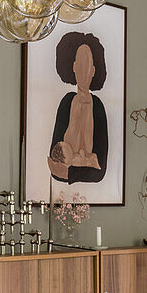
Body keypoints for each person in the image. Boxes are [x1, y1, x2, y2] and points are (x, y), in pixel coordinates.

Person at [47, 32, 109, 184]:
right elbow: (54, 165)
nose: (84, 69)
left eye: (88, 64)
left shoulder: (98, 107)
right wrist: (83, 168)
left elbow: (99, 172)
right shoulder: (67, 102)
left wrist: (69, 172)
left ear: (94, 70)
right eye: (80, 63)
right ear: (73, 66)